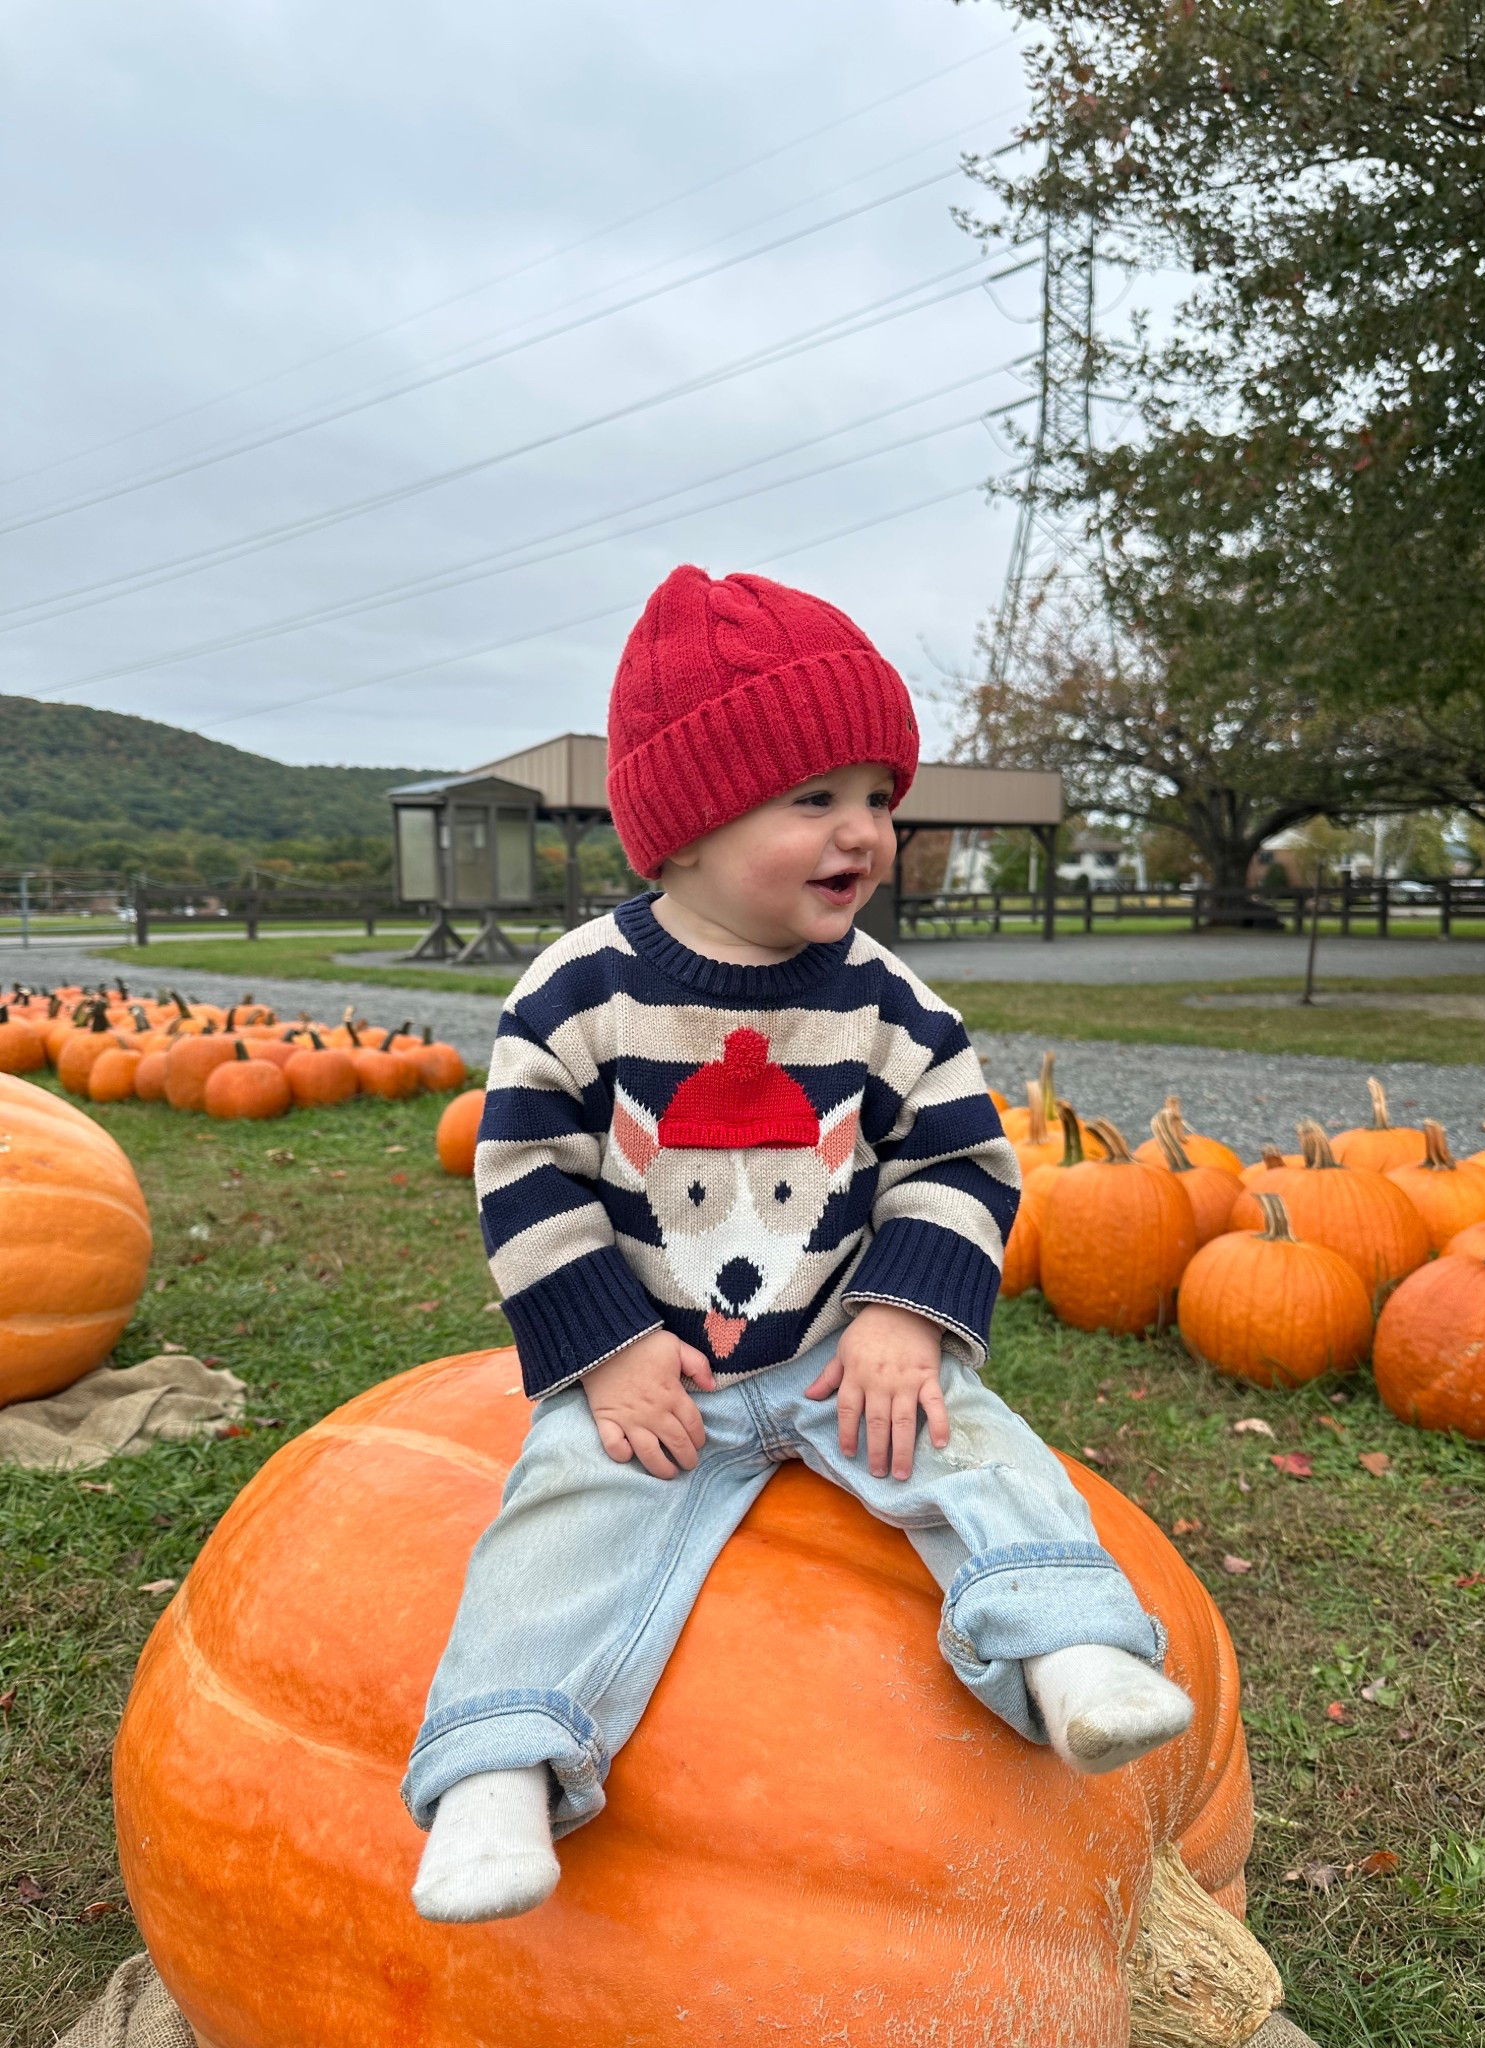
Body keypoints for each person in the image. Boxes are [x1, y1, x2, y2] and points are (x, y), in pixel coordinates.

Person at [403, 566, 1191, 1923]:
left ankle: (1068, 1645)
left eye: (880, 797)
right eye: (815, 798)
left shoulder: (896, 1007)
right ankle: (497, 1765)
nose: (865, 831)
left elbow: (958, 1163)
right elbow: (530, 1173)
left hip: (840, 1349)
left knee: (978, 1451)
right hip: (662, 1376)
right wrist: (604, 1355)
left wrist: (903, 1316)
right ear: (693, 823)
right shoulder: (577, 996)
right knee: (558, 1516)